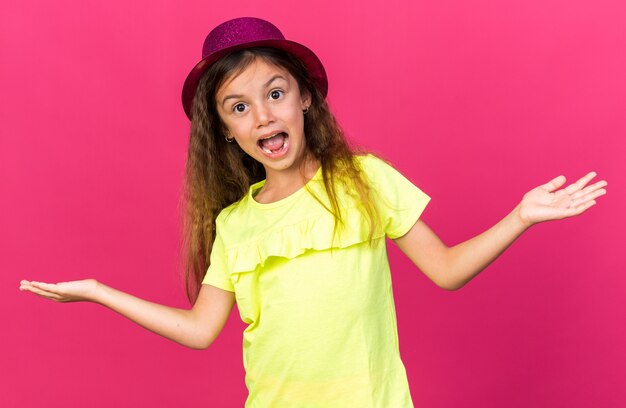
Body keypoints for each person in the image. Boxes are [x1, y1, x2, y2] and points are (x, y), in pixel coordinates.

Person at [19, 17, 607, 407]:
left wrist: (520, 217)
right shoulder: (236, 224)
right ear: (224, 131)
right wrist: (98, 291)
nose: (264, 118)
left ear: (304, 97)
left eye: (275, 94)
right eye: (239, 107)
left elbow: (447, 270)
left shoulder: (364, 180)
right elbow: (200, 331)